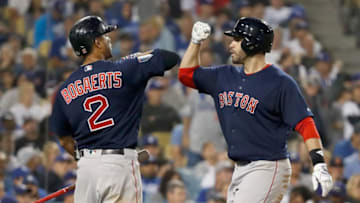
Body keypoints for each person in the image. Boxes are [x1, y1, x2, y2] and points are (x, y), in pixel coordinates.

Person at [178, 17, 333, 202]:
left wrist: (319, 164)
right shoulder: (224, 76)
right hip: (239, 168)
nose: (231, 45)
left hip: (268, 166)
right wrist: (196, 42)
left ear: (252, 43)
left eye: (237, 39)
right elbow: (186, 75)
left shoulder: (280, 82)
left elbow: (305, 123)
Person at [50, 15, 179, 203]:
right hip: (118, 166)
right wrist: (135, 58)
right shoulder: (124, 68)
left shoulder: (63, 89)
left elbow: (64, 139)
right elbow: (169, 58)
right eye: (104, 36)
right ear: (97, 43)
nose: (109, 39)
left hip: (86, 169)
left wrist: (91, 163)